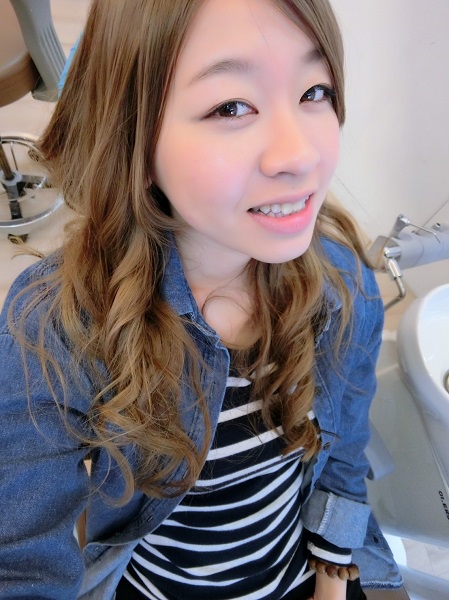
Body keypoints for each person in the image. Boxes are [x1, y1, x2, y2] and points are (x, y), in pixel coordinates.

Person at [0, 0, 403, 598]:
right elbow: (21, 562)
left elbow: (343, 448)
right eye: (231, 106)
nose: (299, 155)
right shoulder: (59, 327)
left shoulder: (341, 281)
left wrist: (332, 575)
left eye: (314, 91)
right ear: (134, 139)